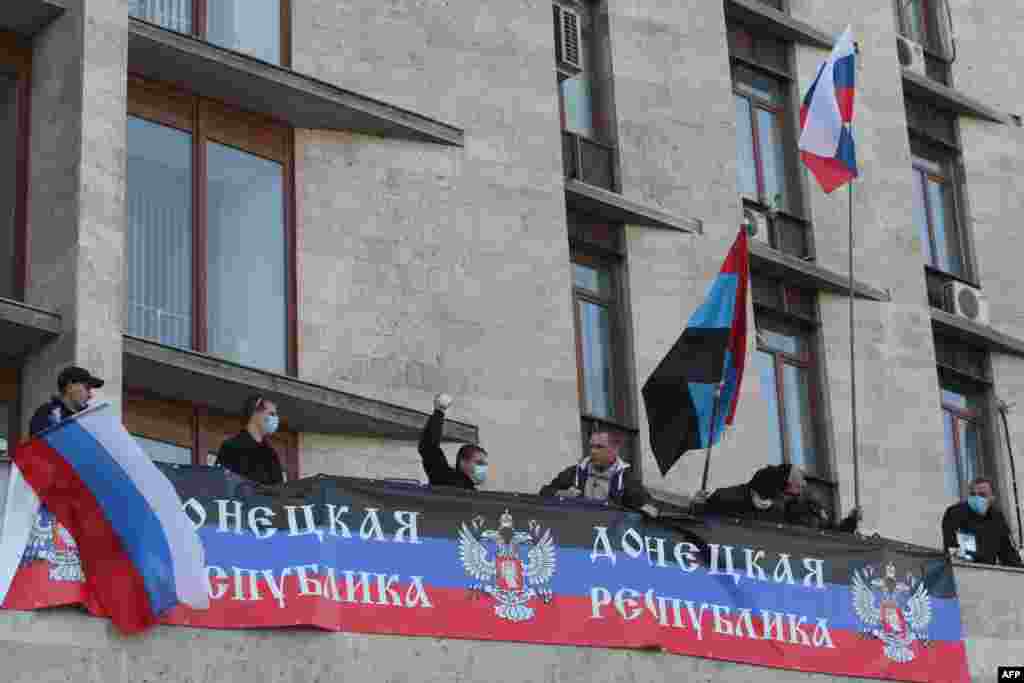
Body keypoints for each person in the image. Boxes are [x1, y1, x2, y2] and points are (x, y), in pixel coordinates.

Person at [699, 463, 860, 532]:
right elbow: (698, 524)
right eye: (792, 488)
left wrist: (851, 521)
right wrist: (698, 506)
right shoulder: (726, 499)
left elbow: (827, 536)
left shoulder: (790, 510)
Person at [540, 430, 657, 516]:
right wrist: (561, 494)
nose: (593, 451)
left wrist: (648, 508)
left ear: (615, 449)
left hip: (607, 539)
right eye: (591, 446)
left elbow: (646, 503)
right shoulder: (574, 472)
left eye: (599, 447)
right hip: (575, 534)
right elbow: (544, 493)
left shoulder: (625, 479)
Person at [942, 476, 1022, 567]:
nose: (976, 498)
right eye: (973, 494)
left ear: (992, 498)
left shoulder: (997, 517)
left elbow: (1007, 553)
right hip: (962, 570)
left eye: (982, 495)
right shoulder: (955, 513)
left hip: (988, 573)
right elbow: (951, 548)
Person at [418, 393, 488, 489]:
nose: (483, 468)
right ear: (463, 463)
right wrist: (439, 411)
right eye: (479, 463)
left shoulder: (472, 493)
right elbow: (428, 447)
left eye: (484, 464)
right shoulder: (445, 478)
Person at [214, 395, 285, 486]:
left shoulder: (271, 454)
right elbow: (220, 483)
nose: (275, 419)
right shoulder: (231, 447)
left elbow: (279, 491)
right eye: (271, 414)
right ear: (255, 413)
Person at [29, 366, 104, 437]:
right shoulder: (47, 414)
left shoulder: (88, 417)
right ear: (70, 387)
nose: (90, 395)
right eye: (87, 388)